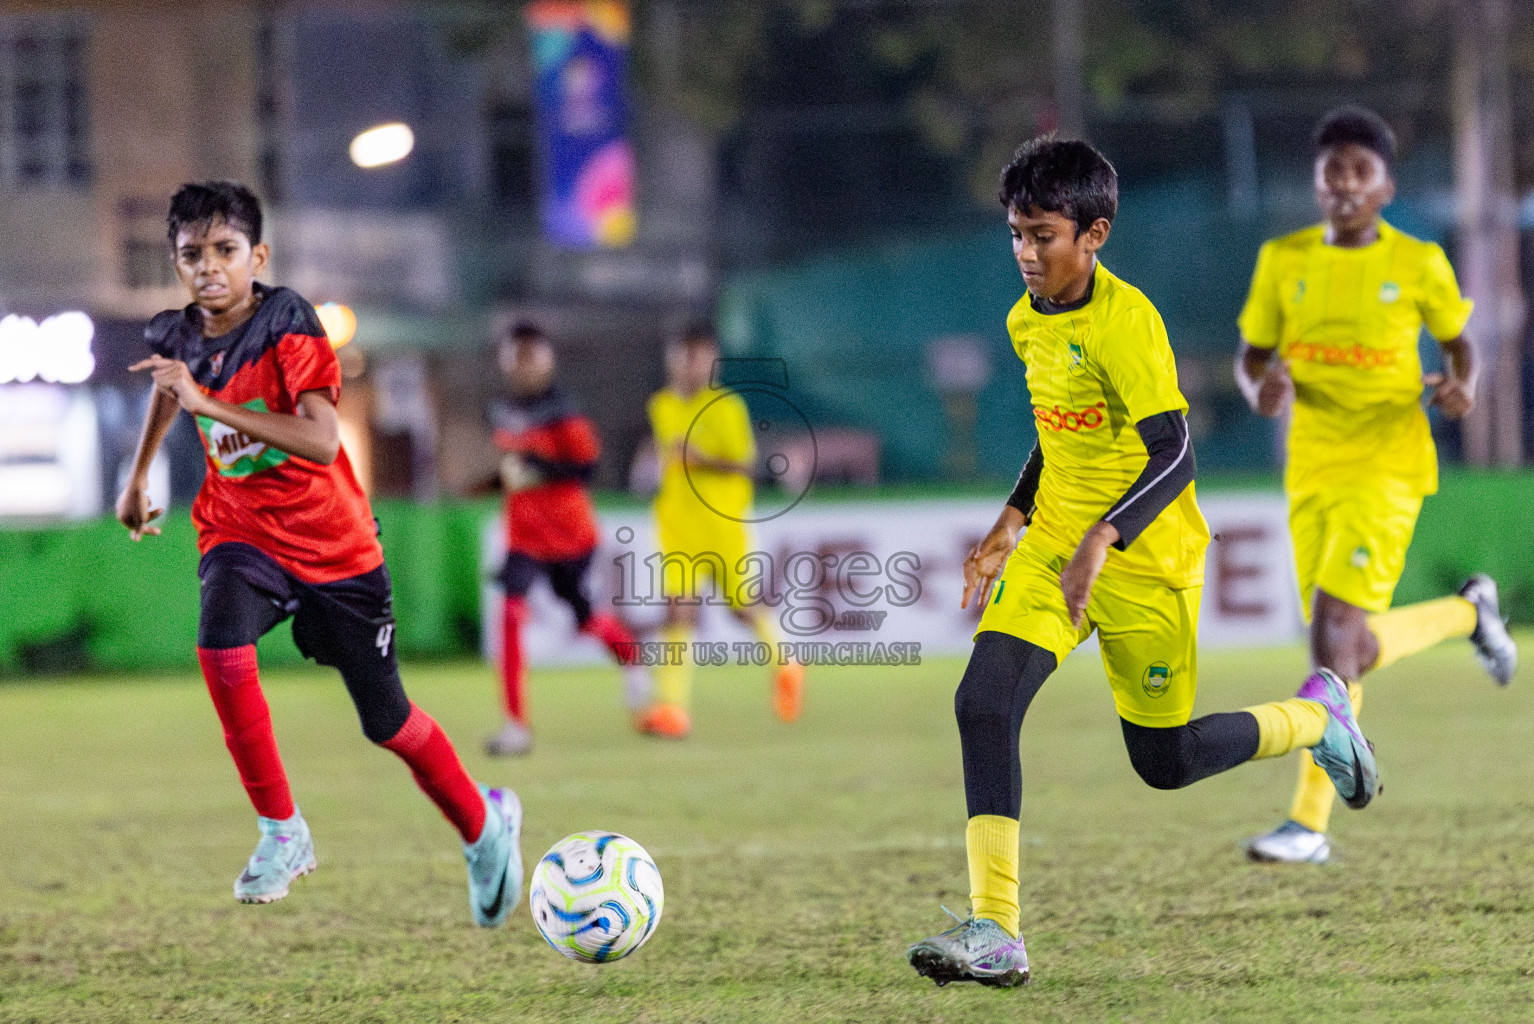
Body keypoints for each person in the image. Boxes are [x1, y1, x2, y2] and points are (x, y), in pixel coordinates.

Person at [906, 138, 1379, 989]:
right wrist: (1014, 519)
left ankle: (1319, 721)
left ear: (1094, 234)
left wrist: (1106, 537)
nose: (1024, 253)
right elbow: (1059, 436)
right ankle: (997, 931)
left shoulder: (1129, 324)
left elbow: (1176, 452)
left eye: (1041, 235)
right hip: (1057, 549)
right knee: (982, 701)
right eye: (1015, 233)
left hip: (1146, 560)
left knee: (1164, 762)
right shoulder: (1025, 320)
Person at [115, 181, 521, 925]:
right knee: (221, 646)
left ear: (257, 255)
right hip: (242, 532)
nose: (209, 269)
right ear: (175, 264)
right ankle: (282, 830)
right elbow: (170, 387)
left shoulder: (287, 322)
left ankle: (483, 825)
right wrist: (137, 475)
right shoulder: (178, 332)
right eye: (191, 255)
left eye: (225, 251)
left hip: (336, 548)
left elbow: (322, 438)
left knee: (388, 721)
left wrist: (211, 406)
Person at [1234, 106, 1517, 865]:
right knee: (1341, 653)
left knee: (1333, 639)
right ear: (1317, 183)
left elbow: (1463, 351)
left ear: (1386, 184)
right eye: (1335, 171)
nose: (1347, 184)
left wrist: (1463, 388)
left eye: (1362, 171)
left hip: (1388, 463)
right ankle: (1468, 612)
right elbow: (1251, 357)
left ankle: (1307, 823)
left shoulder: (1418, 262)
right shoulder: (1283, 260)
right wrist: (1260, 389)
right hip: (1312, 467)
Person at [485, 320, 652, 756]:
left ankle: (630, 657)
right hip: (524, 535)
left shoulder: (564, 411)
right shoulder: (501, 410)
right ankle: (515, 724)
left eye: (531, 356)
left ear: (547, 361)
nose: (523, 367)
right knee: (510, 610)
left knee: (584, 617)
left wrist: (535, 463)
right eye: (516, 357)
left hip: (569, 535)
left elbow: (585, 469)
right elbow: (513, 470)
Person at [638, 324, 804, 738]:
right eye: (684, 357)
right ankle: (672, 709)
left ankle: (787, 660)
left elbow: (747, 465)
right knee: (678, 609)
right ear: (671, 359)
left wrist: (699, 458)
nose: (691, 366)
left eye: (699, 358)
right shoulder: (660, 405)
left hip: (724, 523)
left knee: (742, 608)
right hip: (679, 525)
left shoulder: (727, 407)